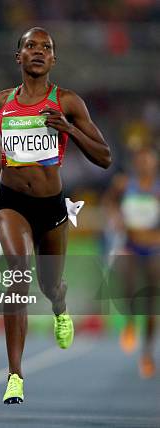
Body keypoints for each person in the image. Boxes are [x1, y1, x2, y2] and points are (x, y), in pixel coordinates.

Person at [0, 27, 111, 404]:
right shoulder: (0, 103)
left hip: (51, 206)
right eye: (30, 46)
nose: (37, 51)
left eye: (45, 48)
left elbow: (104, 157)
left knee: (50, 285)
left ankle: (59, 307)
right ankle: (15, 375)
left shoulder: (67, 102)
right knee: (17, 270)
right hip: (11, 202)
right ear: (18, 57)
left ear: (53, 59)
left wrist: (69, 131)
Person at [104, 144, 158, 379]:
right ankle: (128, 321)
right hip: (130, 245)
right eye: (141, 160)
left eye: (149, 160)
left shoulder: (157, 190)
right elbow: (109, 203)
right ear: (136, 163)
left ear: (155, 163)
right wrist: (115, 217)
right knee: (125, 284)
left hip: (154, 248)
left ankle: (146, 354)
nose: (144, 164)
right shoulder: (124, 184)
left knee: (151, 307)